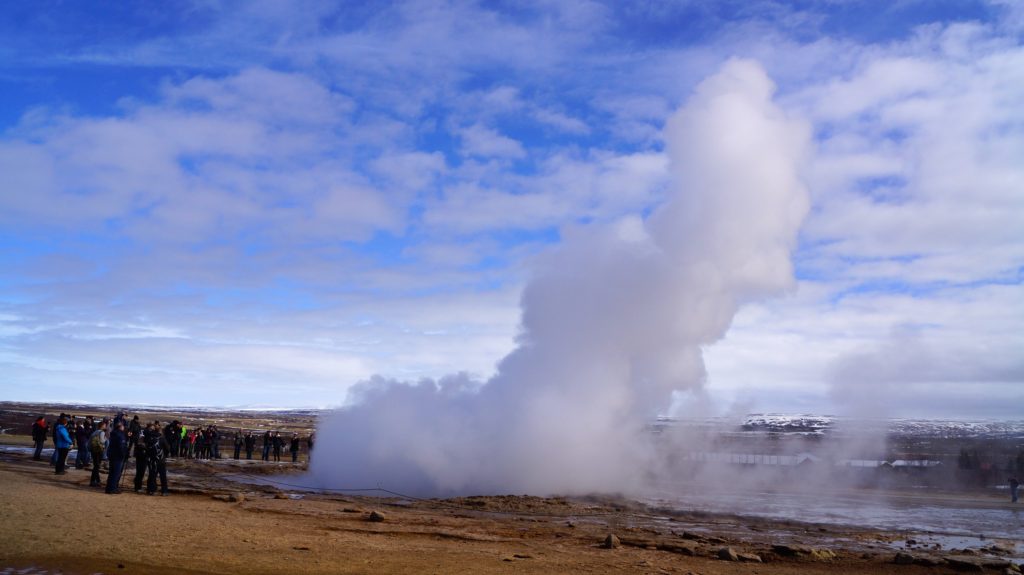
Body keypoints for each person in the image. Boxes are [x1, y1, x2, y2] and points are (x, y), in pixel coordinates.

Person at [145, 425, 170, 496]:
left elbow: (147, 448)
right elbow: (167, 449)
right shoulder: (162, 439)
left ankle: (152, 490)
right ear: (160, 431)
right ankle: (164, 491)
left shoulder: (150, 438)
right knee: (163, 476)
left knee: (152, 475)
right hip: (161, 460)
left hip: (152, 459)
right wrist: (165, 455)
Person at [105, 421, 128, 494]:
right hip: (118, 456)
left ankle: (109, 488)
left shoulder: (113, 434)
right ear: (120, 427)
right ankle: (112, 488)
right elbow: (121, 446)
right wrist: (124, 454)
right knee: (116, 473)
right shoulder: (120, 435)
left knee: (112, 472)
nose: (124, 427)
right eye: (123, 426)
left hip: (112, 454)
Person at [88, 421, 108, 487]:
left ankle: (96, 480)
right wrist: (105, 439)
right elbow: (102, 441)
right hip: (98, 450)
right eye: (105, 425)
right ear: (102, 426)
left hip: (93, 450)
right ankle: (93, 481)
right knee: (96, 466)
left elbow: (90, 441)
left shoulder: (94, 432)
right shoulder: (101, 432)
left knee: (96, 466)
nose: (105, 426)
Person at [133, 425, 151, 492]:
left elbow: (137, 446)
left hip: (139, 456)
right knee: (140, 472)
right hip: (143, 456)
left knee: (139, 472)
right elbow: (141, 446)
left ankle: (137, 486)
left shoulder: (140, 437)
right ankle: (138, 487)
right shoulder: (144, 438)